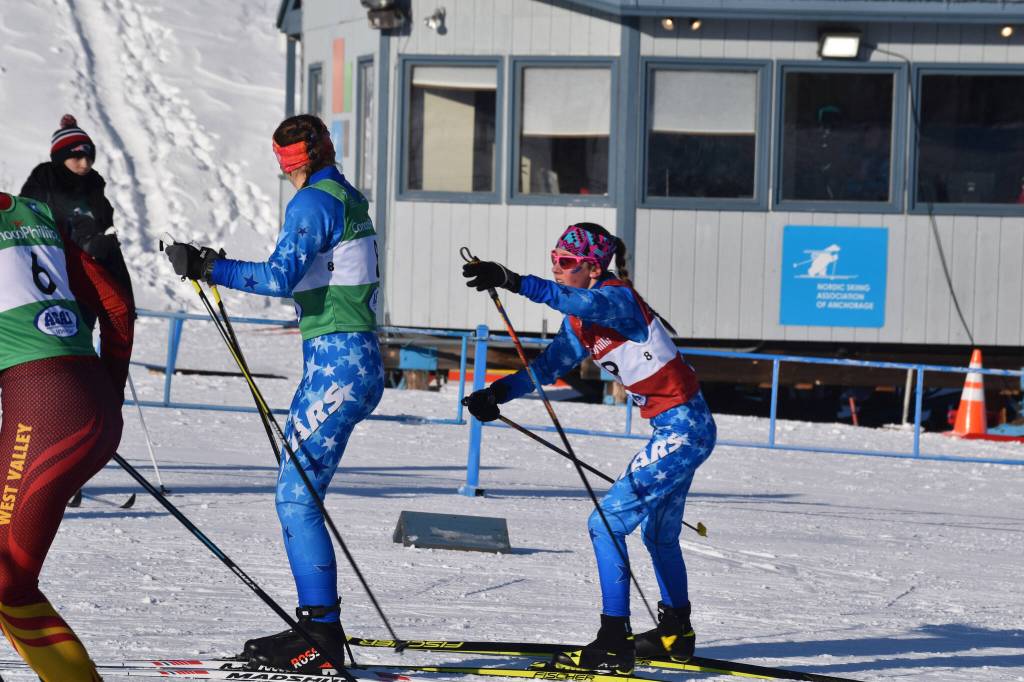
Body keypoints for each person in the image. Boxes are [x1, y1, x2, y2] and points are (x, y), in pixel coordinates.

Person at [163, 114, 383, 675]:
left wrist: (211, 265)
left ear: (292, 161)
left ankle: (322, 635)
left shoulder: (312, 203)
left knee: (294, 496)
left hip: (339, 363)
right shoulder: (340, 194)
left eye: (286, 160)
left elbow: (280, 277)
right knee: (297, 493)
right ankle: (316, 627)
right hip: (339, 358)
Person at [461, 223, 715, 674]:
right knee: (657, 534)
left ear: (593, 268)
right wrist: (496, 394)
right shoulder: (580, 322)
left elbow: (573, 299)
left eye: (564, 263)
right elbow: (547, 366)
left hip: (683, 430)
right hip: (676, 431)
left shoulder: (614, 298)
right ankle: (677, 633)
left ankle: (614, 639)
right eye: (553, 259)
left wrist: (512, 280)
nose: (555, 269)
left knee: (604, 524)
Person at [0, 191, 134, 681]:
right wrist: (109, 389)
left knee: (8, 583)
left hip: (46, 410)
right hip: (85, 401)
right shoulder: (34, 213)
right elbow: (116, 305)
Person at [20, 114, 135, 327]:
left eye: (90, 157)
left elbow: (112, 251)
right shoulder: (43, 183)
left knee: (83, 350)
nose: (85, 163)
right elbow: (24, 232)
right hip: (48, 287)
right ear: (61, 156)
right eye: (77, 157)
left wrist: (126, 299)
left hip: (88, 289)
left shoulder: (96, 193)